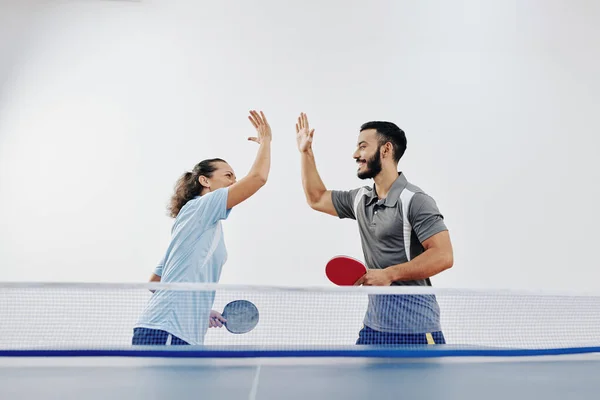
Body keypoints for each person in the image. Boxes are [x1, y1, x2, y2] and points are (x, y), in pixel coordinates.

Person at [295, 112, 454, 345]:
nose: (355, 154)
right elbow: (316, 198)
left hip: (416, 330)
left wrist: (390, 274)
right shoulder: (361, 199)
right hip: (373, 327)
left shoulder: (416, 200)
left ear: (386, 150)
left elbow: (444, 255)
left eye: (362, 146)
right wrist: (306, 152)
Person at [132, 110, 272, 346]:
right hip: (165, 329)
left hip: (184, 333)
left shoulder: (200, 228)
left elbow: (155, 282)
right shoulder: (199, 207)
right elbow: (257, 178)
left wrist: (200, 310)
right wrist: (266, 141)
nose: (234, 182)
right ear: (204, 181)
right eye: (228, 175)